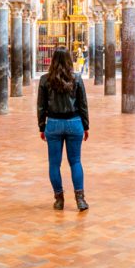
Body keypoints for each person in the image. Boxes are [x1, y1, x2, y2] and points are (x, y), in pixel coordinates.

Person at [37, 47, 90, 212]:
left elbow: (41, 106)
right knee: (75, 162)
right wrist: (86, 125)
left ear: (52, 60)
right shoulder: (77, 79)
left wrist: (41, 126)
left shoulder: (45, 80)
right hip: (74, 123)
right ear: (69, 60)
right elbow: (83, 105)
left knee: (54, 164)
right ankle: (80, 200)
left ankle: (59, 200)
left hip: (53, 123)